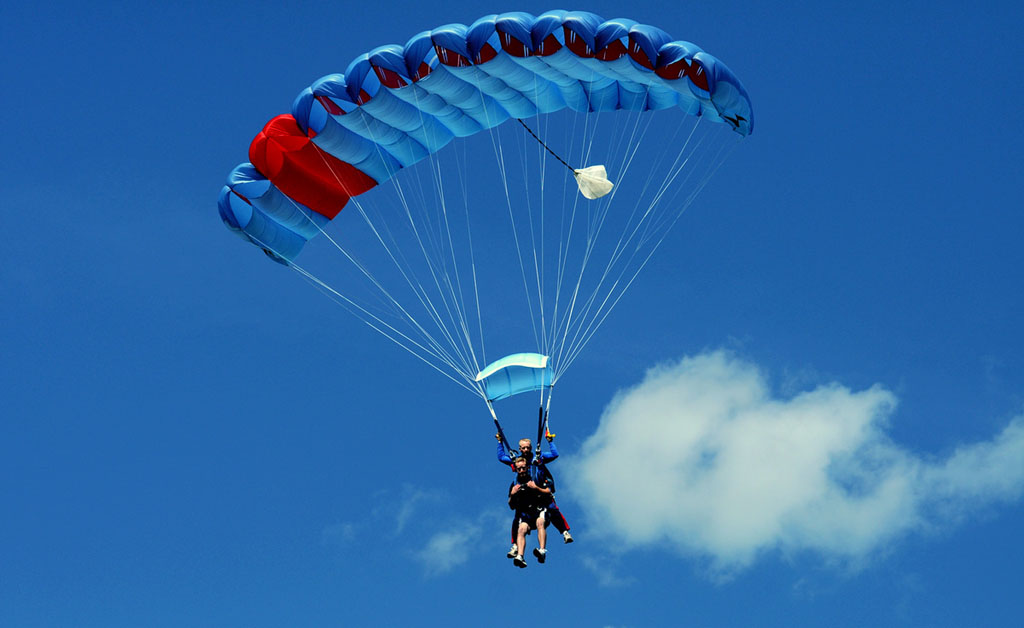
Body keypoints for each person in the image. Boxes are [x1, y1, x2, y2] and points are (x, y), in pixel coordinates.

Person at [497, 434, 573, 557]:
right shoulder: (518, 461)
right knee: (518, 518)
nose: (525, 450)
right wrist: (500, 442)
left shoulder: (538, 458)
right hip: (526, 495)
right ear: (520, 449)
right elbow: (501, 457)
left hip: (539, 489)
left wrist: (550, 441)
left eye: (527, 448)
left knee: (552, 509)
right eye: (523, 448)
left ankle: (564, 531)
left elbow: (554, 454)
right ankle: (516, 546)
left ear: (531, 448)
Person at [507, 456, 552, 567]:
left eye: (523, 468)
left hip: (539, 509)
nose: (521, 471)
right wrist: (512, 495)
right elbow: (511, 506)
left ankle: (542, 550)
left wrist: (536, 488)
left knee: (540, 523)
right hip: (526, 514)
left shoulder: (535, 478)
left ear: (527, 467)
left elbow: (549, 492)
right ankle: (520, 556)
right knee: (521, 529)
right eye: (519, 469)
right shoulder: (515, 484)